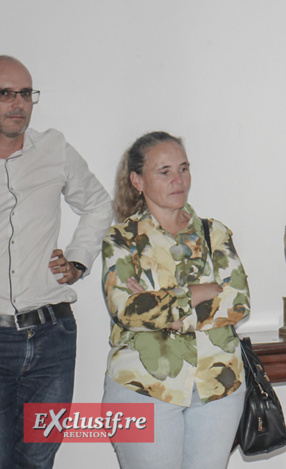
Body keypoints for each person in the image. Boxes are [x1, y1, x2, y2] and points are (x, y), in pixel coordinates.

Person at [101, 131, 250, 468]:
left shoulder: (215, 233)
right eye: (164, 171)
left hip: (217, 388)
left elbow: (238, 302)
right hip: (142, 388)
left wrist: (166, 310)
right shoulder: (122, 240)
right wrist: (196, 293)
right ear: (137, 181)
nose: (178, 180)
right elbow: (127, 310)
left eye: (183, 168)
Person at [0, 55, 113, 468]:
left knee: (37, 461)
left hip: (51, 337)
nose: (18, 103)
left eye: (26, 94)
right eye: (5, 94)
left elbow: (99, 205)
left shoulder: (53, 148)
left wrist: (79, 260)